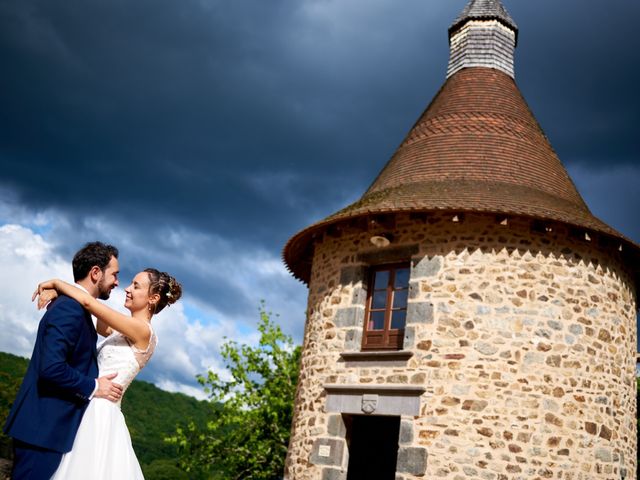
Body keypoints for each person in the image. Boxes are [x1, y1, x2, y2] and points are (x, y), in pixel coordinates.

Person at [33, 267, 182, 479]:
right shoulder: (122, 330)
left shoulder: (143, 332)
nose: (127, 289)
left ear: (153, 298)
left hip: (100, 413)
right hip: (90, 402)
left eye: (136, 286)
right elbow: (89, 312)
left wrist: (57, 283)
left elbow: (89, 303)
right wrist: (62, 294)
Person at [4, 241, 124, 479]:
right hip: (42, 430)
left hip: (50, 431)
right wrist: (95, 386)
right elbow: (51, 368)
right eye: (115, 274)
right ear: (95, 272)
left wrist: (60, 287)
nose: (117, 282)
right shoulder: (69, 310)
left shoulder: (75, 307)